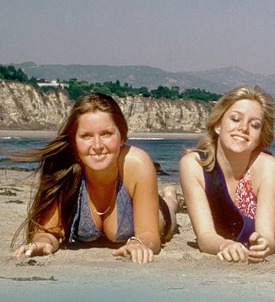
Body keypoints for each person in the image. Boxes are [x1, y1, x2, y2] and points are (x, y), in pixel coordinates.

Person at [12, 92, 178, 264]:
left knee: (167, 210)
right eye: (86, 136)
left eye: (106, 134)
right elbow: (48, 231)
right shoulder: (64, 170)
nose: (97, 145)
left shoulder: (137, 163)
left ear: (122, 137)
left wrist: (139, 243)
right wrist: (42, 243)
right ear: (74, 141)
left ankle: (170, 198)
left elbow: (150, 235)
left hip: (157, 213)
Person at [179, 86, 275, 263]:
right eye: (235, 119)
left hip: (272, 201)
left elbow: (267, 236)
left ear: (260, 136)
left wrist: (264, 245)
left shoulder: (267, 166)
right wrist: (224, 245)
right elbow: (205, 236)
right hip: (227, 231)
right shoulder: (194, 165)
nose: (244, 128)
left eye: (255, 125)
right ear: (218, 125)